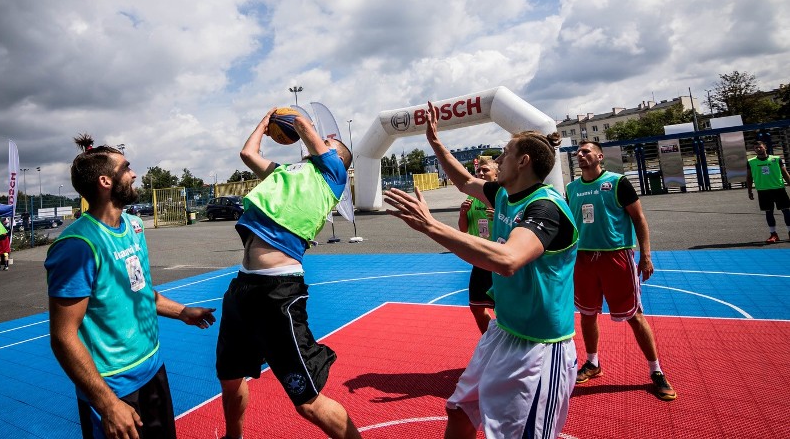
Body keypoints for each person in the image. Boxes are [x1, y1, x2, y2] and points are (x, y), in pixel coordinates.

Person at [384, 102, 579, 439]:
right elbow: (462, 181)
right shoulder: (505, 193)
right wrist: (435, 142)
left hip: (540, 347)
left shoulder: (545, 208)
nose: (498, 160)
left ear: (523, 161)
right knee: (459, 411)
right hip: (503, 331)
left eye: (505, 153)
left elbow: (507, 260)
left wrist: (431, 226)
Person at [45, 134, 217, 439]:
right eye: (126, 167)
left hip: (152, 369)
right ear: (105, 181)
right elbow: (63, 336)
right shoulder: (78, 245)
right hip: (114, 386)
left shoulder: (133, 226)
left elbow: (138, 291)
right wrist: (107, 404)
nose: (134, 173)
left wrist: (182, 312)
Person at [216, 108, 360, 439]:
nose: (326, 140)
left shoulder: (332, 174)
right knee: (230, 376)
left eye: (330, 143)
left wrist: (285, 112)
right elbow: (247, 154)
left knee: (306, 401)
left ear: (337, 157)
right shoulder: (287, 174)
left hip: (278, 289)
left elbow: (305, 126)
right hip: (243, 285)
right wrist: (266, 122)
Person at [565, 140, 676, 401]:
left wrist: (646, 256)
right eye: (578, 152)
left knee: (634, 315)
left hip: (616, 256)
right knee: (587, 313)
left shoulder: (617, 182)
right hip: (583, 258)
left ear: (599, 156)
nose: (580, 155)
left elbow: (639, 219)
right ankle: (593, 363)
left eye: (586, 151)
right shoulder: (571, 188)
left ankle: (656, 371)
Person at [457, 155, 498, 334]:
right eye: (478, 171)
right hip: (480, 259)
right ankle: (490, 340)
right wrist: (462, 214)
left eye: (485, 170)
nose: (480, 173)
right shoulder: (471, 198)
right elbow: (463, 229)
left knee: (504, 310)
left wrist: (498, 218)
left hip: (499, 259)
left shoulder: (503, 198)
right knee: (476, 307)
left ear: (496, 175)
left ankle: (511, 346)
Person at [746, 140, 790, 243]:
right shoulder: (751, 162)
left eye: (760, 147)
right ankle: (773, 234)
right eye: (756, 148)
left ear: (765, 147)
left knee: (786, 211)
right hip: (763, 191)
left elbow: (785, 174)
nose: (758, 149)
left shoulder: (776, 159)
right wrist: (749, 191)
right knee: (768, 213)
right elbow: (749, 177)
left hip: (778, 189)